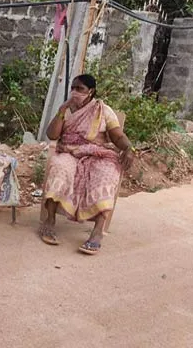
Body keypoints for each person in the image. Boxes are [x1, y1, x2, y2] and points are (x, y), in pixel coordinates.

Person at [39, 74, 135, 255]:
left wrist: (129, 148)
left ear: (90, 92)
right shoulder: (66, 110)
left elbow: (117, 136)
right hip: (70, 151)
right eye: (73, 88)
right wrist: (61, 110)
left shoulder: (103, 110)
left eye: (80, 89)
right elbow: (52, 135)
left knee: (106, 174)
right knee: (60, 167)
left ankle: (97, 231)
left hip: (97, 153)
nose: (75, 92)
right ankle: (49, 220)